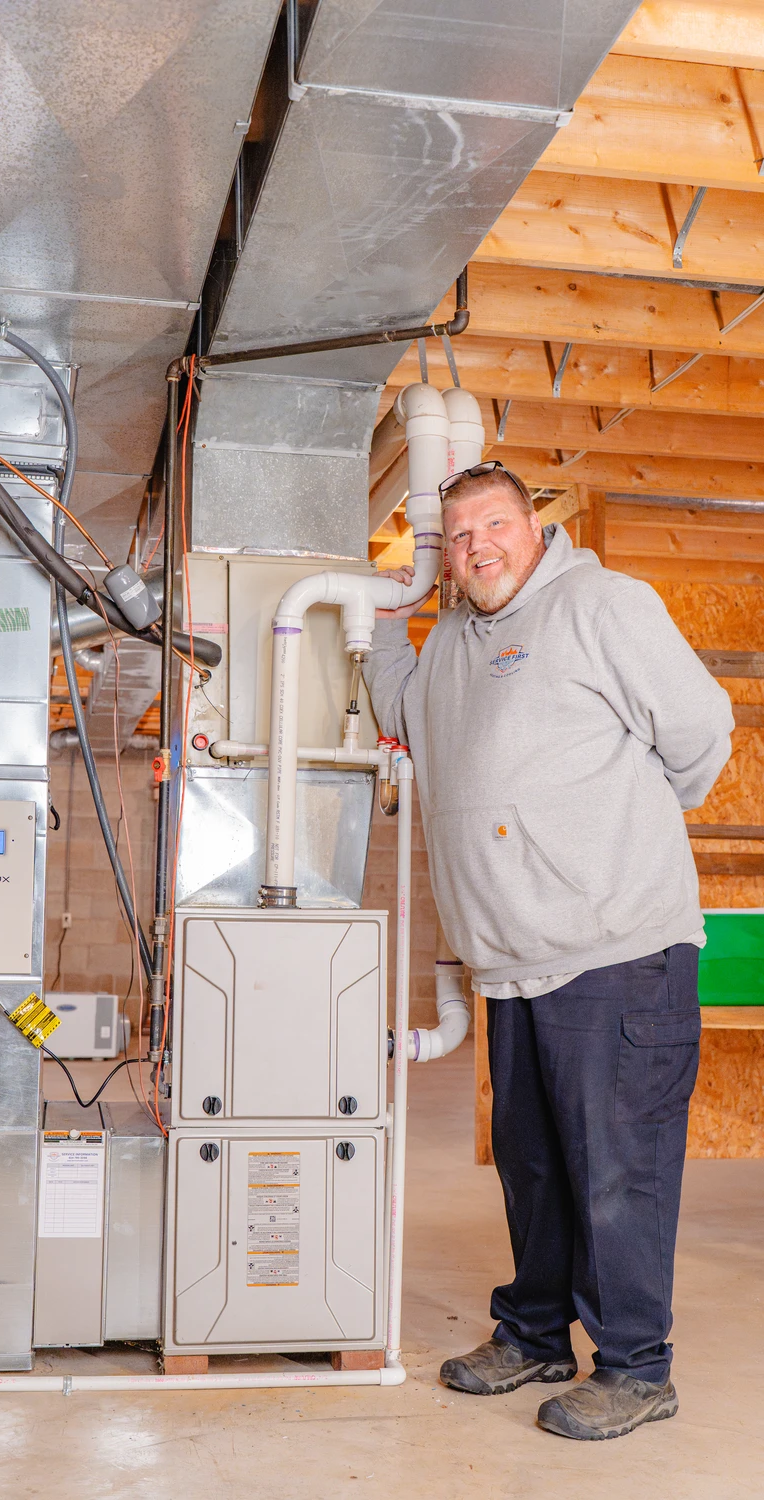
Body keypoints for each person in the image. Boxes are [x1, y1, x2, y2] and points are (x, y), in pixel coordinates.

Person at [364, 461, 733, 1441]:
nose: (478, 544)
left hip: (616, 952)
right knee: (532, 1163)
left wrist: (623, 830)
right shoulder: (449, 641)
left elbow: (699, 732)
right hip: (513, 965)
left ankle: (634, 1365)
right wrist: (376, 607)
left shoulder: (601, 604)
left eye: (494, 524)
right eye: (458, 535)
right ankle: (532, 1332)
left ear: (535, 529)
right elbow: (393, 708)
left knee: (617, 1170)